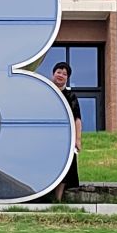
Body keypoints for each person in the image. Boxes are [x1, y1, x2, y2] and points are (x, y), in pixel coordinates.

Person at [52, 61, 81, 190]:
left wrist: (77, 140)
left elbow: (77, 119)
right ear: (53, 74)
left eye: (64, 74)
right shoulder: (47, 91)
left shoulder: (71, 96)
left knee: (66, 165)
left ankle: (58, 198)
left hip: (66, 137)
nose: (61, 75)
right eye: (59, 72)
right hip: (49, 134)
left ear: (67, 78)